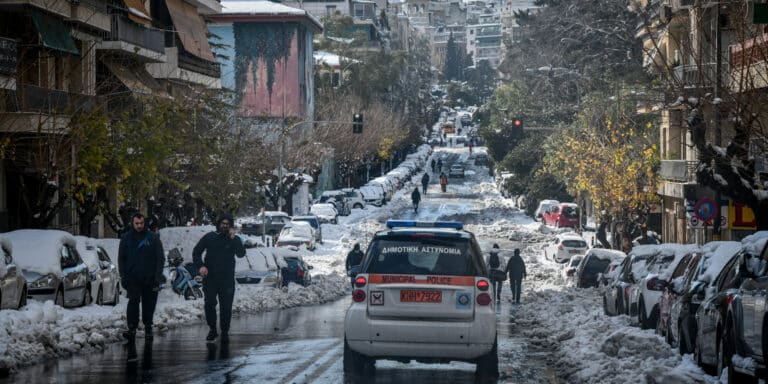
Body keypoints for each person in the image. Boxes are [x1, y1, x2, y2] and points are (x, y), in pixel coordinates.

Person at [118, 213, 165, 362]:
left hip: (150, 279)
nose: (139, 225)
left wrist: (157, 277)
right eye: (136, 223)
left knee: (149, 304)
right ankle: (131, 329)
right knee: (132, 303)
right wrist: (123, 276)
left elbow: (160, 258)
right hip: (133, 279)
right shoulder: (126, 238)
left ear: (144, 223)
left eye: (141, 223)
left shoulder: (152, 237)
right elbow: (121, 259)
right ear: (132, 223)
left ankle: (148, 327)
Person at [193, 213, 246, 343]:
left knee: (226, 307)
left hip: (227, 279)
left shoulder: (234, 239)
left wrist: (233, 238)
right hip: (210, 278)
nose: (225, 226)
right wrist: (201, 266)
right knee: (209, 303)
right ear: (219, 224)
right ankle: (212, 329)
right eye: (223, 224)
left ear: (231, 226)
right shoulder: (210, 237)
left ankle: (224, 331)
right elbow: (196, 252)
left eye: (227, 225)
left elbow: (241, 254)